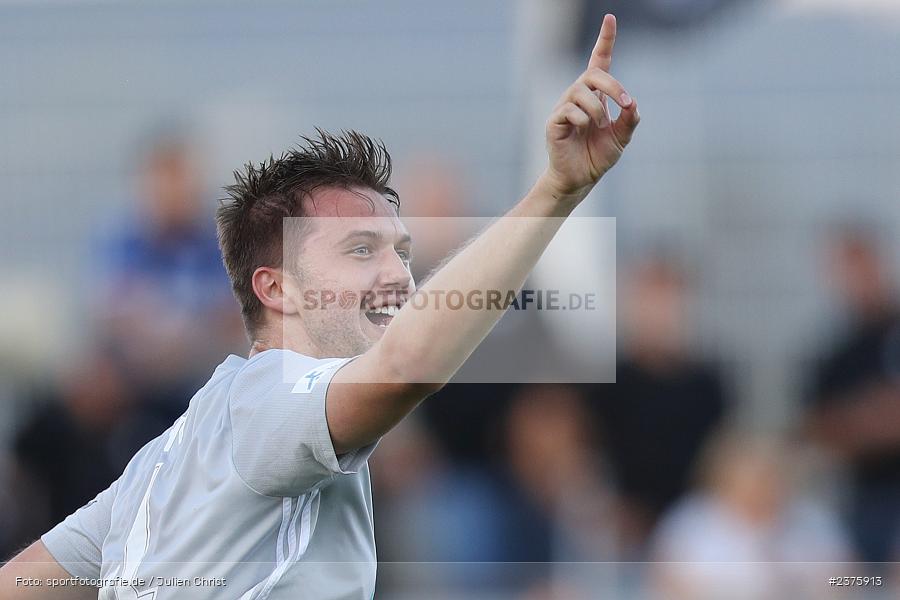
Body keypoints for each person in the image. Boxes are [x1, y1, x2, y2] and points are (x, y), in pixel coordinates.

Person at [0, 14, 639, 599]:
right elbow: (404, 363)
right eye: (361, 251)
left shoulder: (162, 465)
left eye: (400, 251)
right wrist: (556, 190)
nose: (397, 275)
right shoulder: (273, 398)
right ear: (276, 288)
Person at [805, 224, 900, 564]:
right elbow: (818, 428)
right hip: (868, 496)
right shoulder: (832, 352)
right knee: (864, 580)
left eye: (864, 265)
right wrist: (870, 421)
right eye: (848, 268)